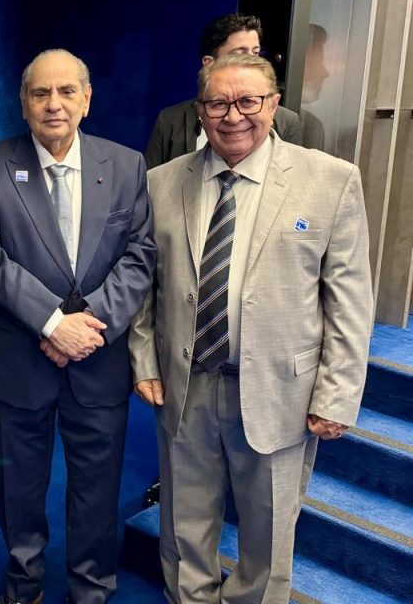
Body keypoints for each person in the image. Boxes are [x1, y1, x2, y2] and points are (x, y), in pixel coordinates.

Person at [129, 53, 373, 603]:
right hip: (187, 385)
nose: (233, 115)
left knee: (267, 537)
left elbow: (350, 300)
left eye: (248, 101)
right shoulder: (160, 183)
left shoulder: (330, 181)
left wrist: (337, 393)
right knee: (183, 527)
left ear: (274, 104)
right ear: (200, 110)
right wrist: (144, 360)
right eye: (218, 103)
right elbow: (144, 287)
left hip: (281, 391)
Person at [0, 49, 155, 604]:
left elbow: (140, 254)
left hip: (99, 357)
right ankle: (23, 585)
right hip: (19, 360)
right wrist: (51, 324)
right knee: (18, 486)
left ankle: (90, 588)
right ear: (23, 103)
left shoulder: (126, 165)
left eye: (67, 91)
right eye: (40, 93)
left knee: (97, 487)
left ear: (86, 100)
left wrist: (86, 327)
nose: (54, 104)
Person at [144, 12, 301, 168]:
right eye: (239, 55)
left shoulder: (285, 122)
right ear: (209, 63)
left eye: (255, 53)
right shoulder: (171, 120)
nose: (251, 63)